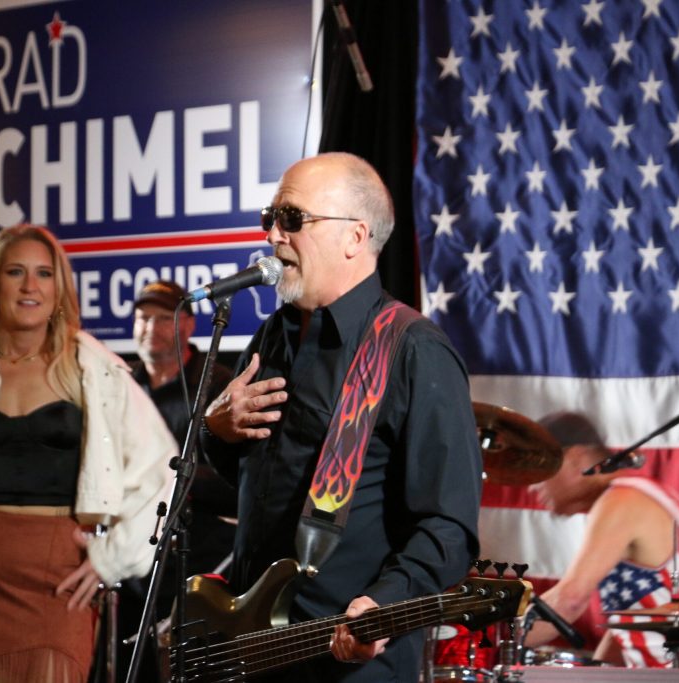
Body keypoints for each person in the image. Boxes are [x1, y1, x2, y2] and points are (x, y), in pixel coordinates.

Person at [201, 152, 483, 682]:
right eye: (271, 218)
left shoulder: (413, 349)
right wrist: (218, 432)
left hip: (345, 660)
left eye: (292, 219)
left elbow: (449, 526)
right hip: (250, 648)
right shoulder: (272, 336)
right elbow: (250, 482)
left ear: (355, 237)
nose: (273, 237)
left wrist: (384, 603)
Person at [0, 225, 177, 683]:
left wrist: (113, 559)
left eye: (44, 274)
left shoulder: (93, 366)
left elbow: (163, 469)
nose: (30, 286)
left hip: (56, 577)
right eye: (16, 272)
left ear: (58, 288)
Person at [525, 412, 679, 682]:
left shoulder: (624, 499)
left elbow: (569, 601)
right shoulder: (631, 494)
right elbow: (626, 626)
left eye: (542, 469)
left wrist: (489, 642)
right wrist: (595, 673)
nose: (532, 486)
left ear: (576, 459)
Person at [100, 279, 235, 682]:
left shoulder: (218, 384)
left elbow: (239, 484)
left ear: (188, 325)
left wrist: (170, 480)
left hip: (200, 564)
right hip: (129, 563)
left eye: (163, 318)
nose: (149, 328)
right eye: (142, 318)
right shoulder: (122, 386)